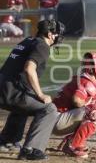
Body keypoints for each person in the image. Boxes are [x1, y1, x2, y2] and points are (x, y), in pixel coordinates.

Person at [0, 19, 64, 160]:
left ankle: (7, 140)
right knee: (49, 109)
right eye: (57, 33)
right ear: (49, 34)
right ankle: (31, 149)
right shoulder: (42, 46)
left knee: (25, 101)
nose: (59, 36)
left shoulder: (28, 41)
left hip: (4, 90)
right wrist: (40, 94)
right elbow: (29, 69)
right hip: (12, 93)